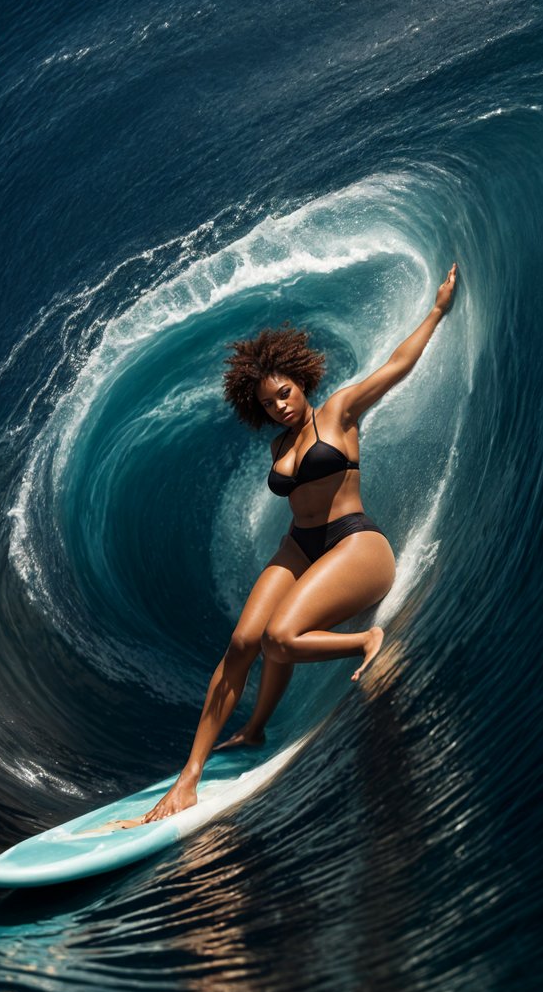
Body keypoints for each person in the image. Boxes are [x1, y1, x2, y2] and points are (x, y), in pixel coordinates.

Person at [116, 263, 458, 825]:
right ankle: (207, 763)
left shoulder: (339, 412)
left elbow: (398, 364)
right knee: (243, 641)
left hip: (355, 544)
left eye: (285, 392)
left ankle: (366, 640)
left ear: (302, 382)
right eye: (269, 401)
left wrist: (438, 310)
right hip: (299, 546)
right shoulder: (278, 442)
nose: (279, 405)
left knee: (280, 638)